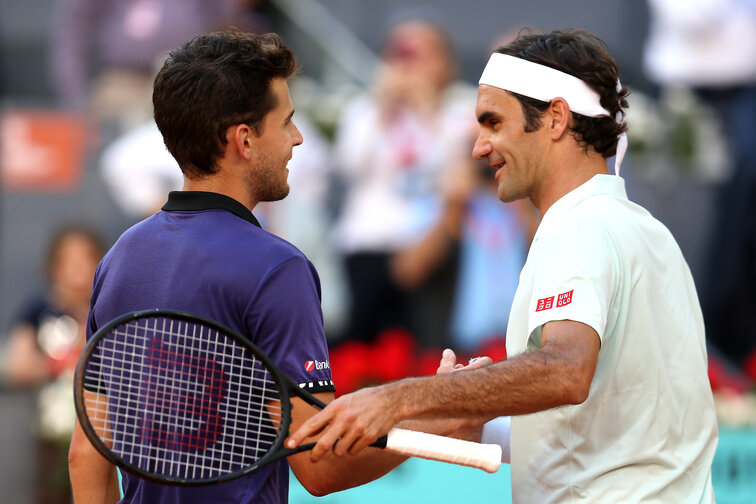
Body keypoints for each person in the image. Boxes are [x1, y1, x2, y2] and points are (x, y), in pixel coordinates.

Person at [287, 29, 719, 503]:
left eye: (493, 122)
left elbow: (566, 370)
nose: (479, 147)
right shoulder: (650, 233)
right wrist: (479, 424)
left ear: (555, 118)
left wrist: (399, 398)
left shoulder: (576, 227)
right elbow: (620, 429)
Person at [67, 30, 463, 504]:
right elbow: (321, 466)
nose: (297, 139)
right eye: (288, 122)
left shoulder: (118, 258)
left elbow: (86, 452)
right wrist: (443, 414)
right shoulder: (279, 268)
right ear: (245, 140)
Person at [331, 13, 476, 347]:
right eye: (400, 54)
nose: (409, 66)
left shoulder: (458, 116)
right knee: (359, 351)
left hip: (428, 252)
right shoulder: (364, 111)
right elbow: (348, 166)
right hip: (367, 246)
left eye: (421, 54)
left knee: (423, 349)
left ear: (446, 62)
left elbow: (458, 176)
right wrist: (383, 106)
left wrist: (427, 112)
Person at [3, 225, 105, 504]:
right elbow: (18, 366)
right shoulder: (36, 309)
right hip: (50, 437)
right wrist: (62, 362)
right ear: (53, 266)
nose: (78, 269)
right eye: (68, 260)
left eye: (86, 259)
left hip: (102, 433)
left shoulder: (109, 310)